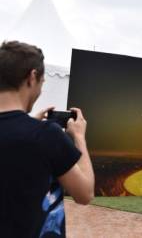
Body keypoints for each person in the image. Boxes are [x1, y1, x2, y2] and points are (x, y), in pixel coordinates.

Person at [0, 41, 95, 238]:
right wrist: (79, 138)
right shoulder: (46, 135)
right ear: (32, 77)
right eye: (42, 83)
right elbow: (85, 194)